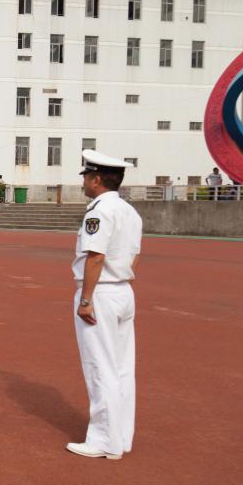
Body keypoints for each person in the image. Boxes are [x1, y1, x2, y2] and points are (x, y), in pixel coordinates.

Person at [67, 149, 142, 461]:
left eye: (86, 176)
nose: (84, 182)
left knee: (99, 365)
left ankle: (102, 440)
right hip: (123, 290)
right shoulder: (130, 212)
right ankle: (120, 437)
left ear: (96, 179)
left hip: (101, 293)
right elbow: (134, 256)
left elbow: (96, 256)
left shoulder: (99, 212)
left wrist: (86, 299)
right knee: (122, 368)